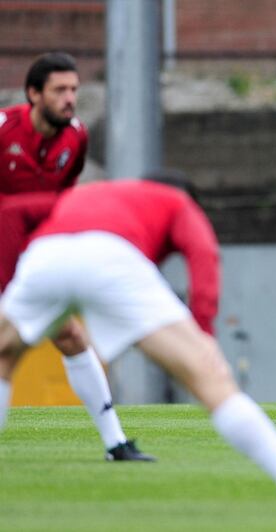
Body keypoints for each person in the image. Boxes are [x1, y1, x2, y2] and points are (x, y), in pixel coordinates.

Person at [0, 179, 276, 515]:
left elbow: (14, 212)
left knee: (4, 357)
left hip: (43, 257)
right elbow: (204, 254)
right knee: (211, 380)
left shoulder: (90, 192)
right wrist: (204, 331)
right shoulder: (177, 201)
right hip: (111, 257)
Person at [0, 52, 151, 461]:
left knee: (70, 337)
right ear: (33, 94)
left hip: (34, 261)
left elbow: (64, 200)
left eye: (74, 90)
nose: (70, 99)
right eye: (59, 90)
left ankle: (115, 443)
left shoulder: (77, 137)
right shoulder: (2, 131)